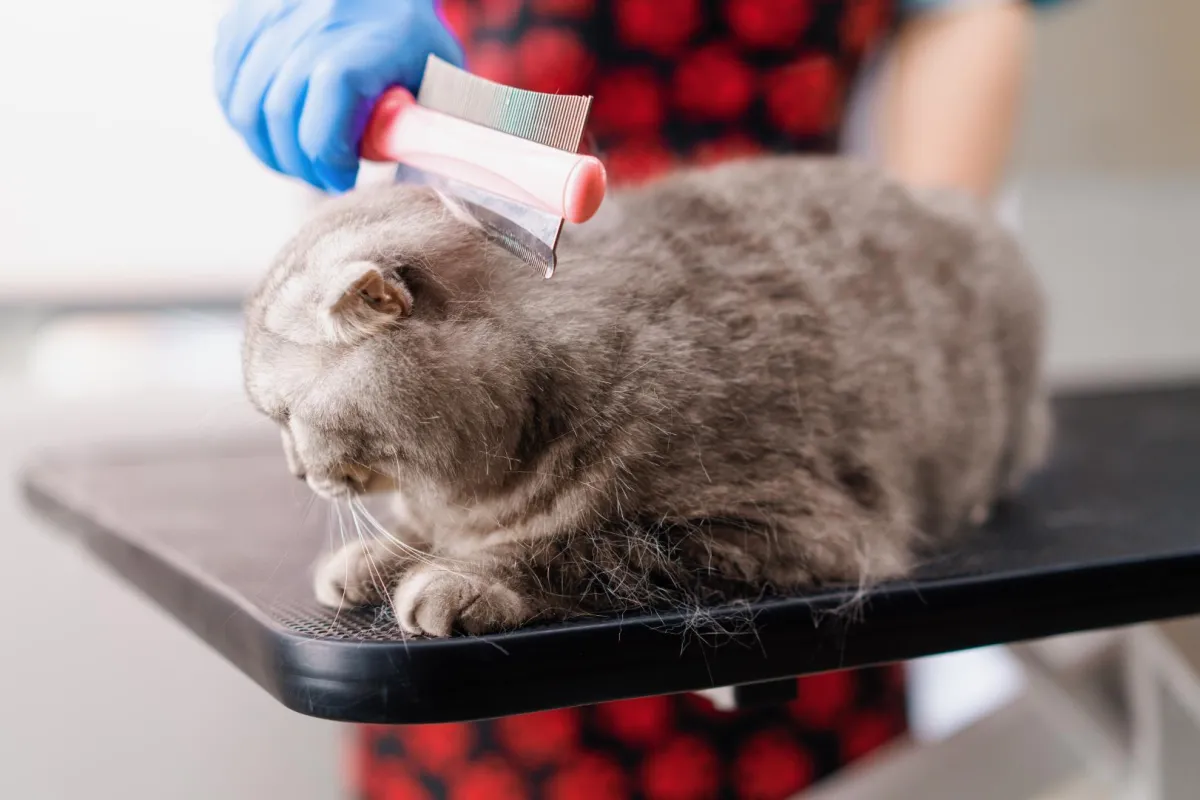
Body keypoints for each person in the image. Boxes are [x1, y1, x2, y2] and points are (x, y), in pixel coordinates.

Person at [214, 1, 1068, 798]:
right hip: (482, 218)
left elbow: (965, 13)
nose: (297, 466)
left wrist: (931, 274)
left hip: (752, 349)